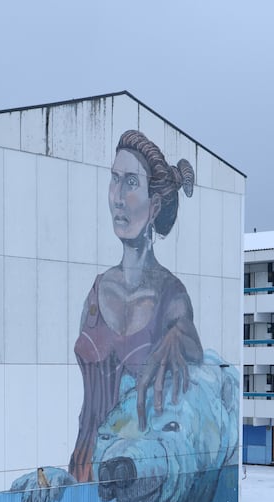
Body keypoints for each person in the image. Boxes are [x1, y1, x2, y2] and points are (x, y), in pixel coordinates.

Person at [69, 129, 203, 482]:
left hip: (134, 473)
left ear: (155, 204)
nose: (117, 197)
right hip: (83, 462)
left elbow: (194, 349)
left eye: (130, 183)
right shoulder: (97, 291)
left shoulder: (170, 294)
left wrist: (177, 338)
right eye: (114, 180)